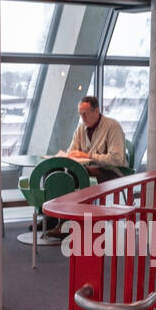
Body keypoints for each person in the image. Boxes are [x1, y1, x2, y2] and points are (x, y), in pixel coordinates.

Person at [41, 96, 127, 237]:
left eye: (85, 114)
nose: (82, 118)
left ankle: (66, 223)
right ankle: (51, 218)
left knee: (75, 173)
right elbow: (72, 151)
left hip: (110, 171)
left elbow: (116, 159)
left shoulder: (113, 127)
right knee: (52, 169)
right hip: (88, 169)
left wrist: (88, 157)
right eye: (80, 114)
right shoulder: (81, 128)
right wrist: (70, 156)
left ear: (97, 111)